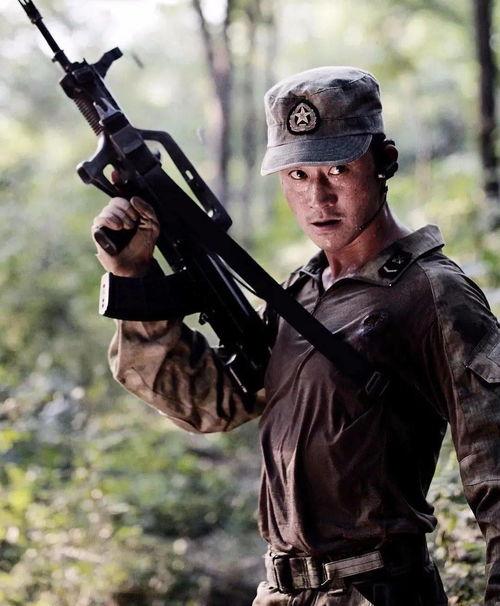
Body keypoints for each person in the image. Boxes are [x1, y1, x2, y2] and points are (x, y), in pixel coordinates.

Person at [92, 66, 500, 605]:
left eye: (337, 168)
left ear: (385, 161)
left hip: (377, 591)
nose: (318, 197)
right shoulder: (301, 292)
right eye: (298, 175)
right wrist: (133, 278)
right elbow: (212, 405)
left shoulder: (432, 294)